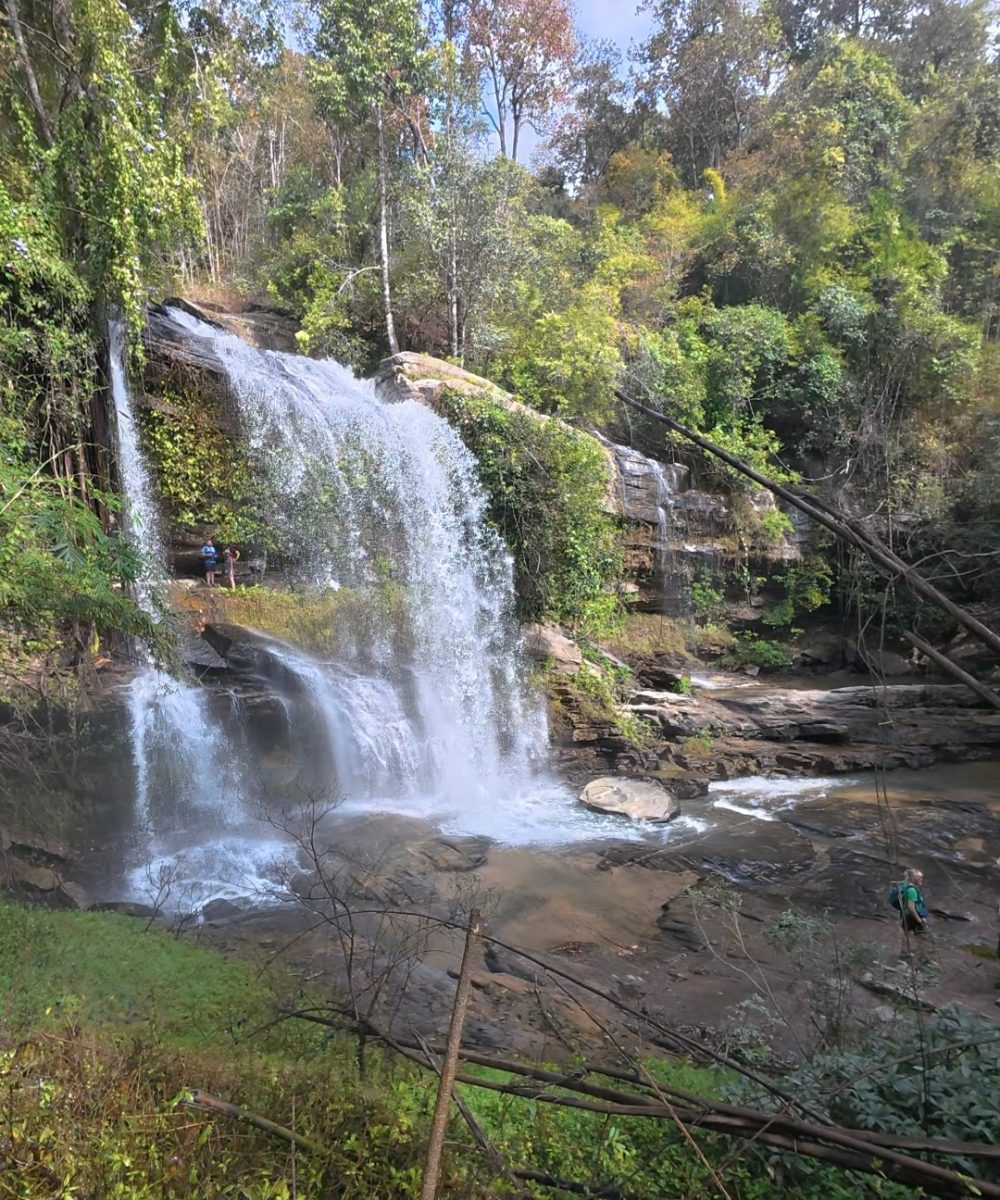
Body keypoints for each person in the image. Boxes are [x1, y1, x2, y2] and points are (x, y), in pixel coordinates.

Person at [896, 867, 929, 958]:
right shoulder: (912, 891)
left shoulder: (907, 888)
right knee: (921, 936)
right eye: (920, 878)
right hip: (913, 916)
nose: (922, 879)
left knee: (904, 932)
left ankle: (904, 952)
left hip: (906, 915)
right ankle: (924, 956)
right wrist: (918, 919)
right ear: (914, 879)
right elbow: (911, 907)